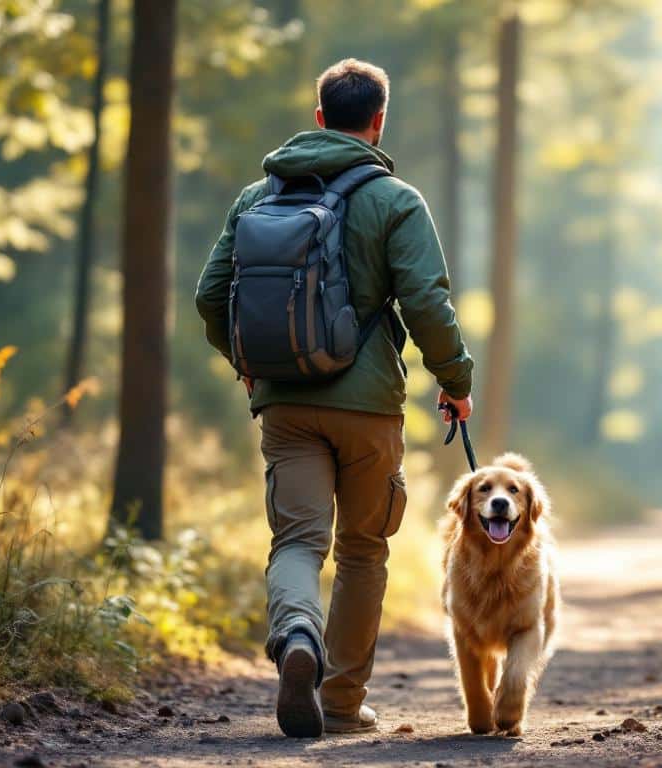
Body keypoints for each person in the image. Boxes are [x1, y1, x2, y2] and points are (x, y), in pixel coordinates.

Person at [194, 58, 473, 738]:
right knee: (362, 550)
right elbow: (427, 302)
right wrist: (454, 381)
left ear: (319, 117)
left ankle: (296, 637)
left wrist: (248, 365)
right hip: (369, 405)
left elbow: (210, 294)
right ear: (378, 122)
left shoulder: (255, 197)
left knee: (296, 539)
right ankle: (342, 704)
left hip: (284, 404)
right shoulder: (395, 199)